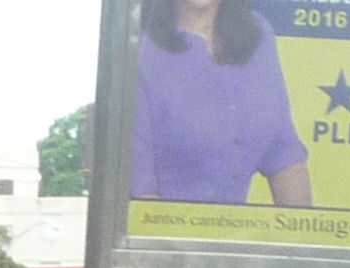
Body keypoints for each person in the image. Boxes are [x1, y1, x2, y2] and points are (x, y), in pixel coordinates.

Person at [132, 0, 310, 208]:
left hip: (236, 235)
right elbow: (140, 197)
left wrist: (302, 234)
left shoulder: (258, 36)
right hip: (160, 235)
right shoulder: (138, 51)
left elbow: (284, 154)